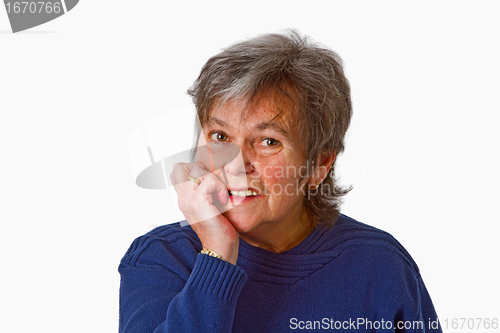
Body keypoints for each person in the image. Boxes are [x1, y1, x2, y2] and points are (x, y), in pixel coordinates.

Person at [119, 30, 442, 333]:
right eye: (220, 136)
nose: (236, 165)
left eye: (268, 141)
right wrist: (217, 253)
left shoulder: (381, 266)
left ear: (319, 164)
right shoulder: (160, 260)